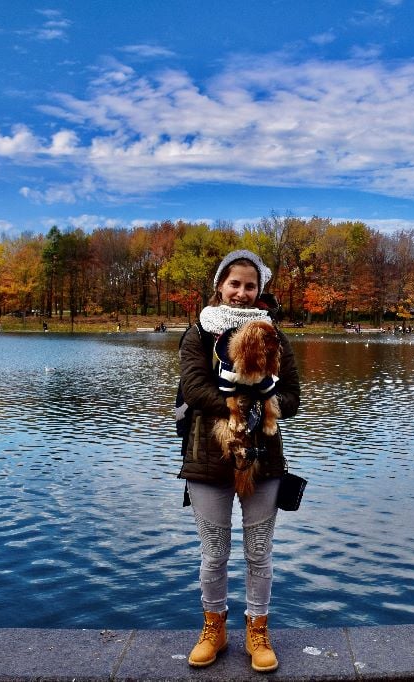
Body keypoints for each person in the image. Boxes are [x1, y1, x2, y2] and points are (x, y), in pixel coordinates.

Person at [177, 249, 300, 673]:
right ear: (220, 286)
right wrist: (238, 409)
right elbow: (194, 388)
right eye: (235, 284)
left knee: (259, 552)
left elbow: (292, 398)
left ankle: (257, 630)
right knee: (214, 554)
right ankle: (214, 628)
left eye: (250, 286)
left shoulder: (274, 336)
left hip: (263, 458)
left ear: (259, 291)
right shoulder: (199, 333)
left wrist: (262, 406)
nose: (242, 293)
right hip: (208, 457)